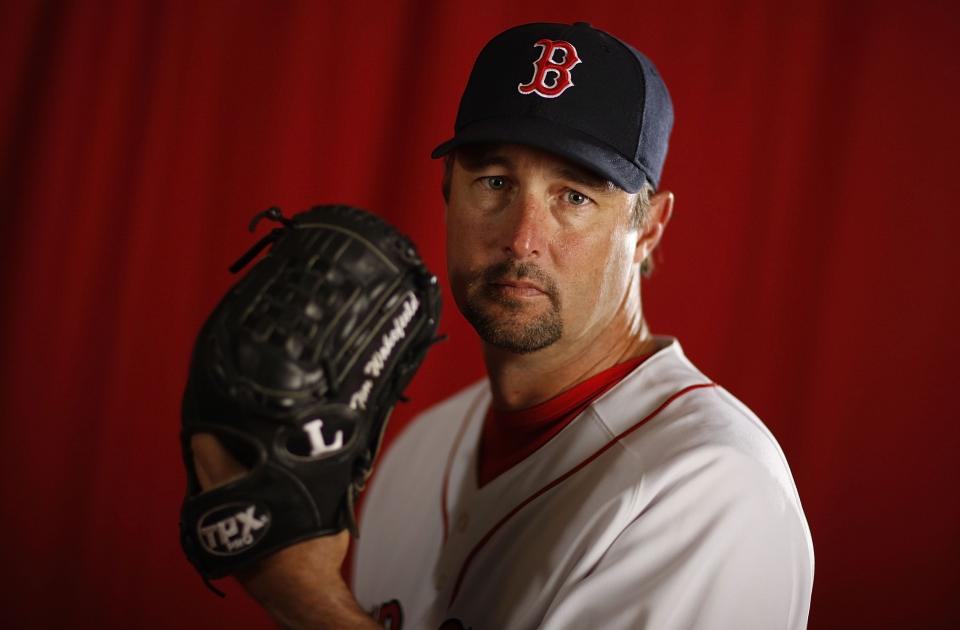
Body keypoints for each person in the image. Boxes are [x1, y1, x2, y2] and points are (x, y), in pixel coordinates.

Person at [192, 21, 814, 629]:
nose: (522, 239)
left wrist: (307, 598)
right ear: (446, 191)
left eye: (574, 196)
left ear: (648, 227)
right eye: (494, 182)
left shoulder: (715, 490)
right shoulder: (416, 451)